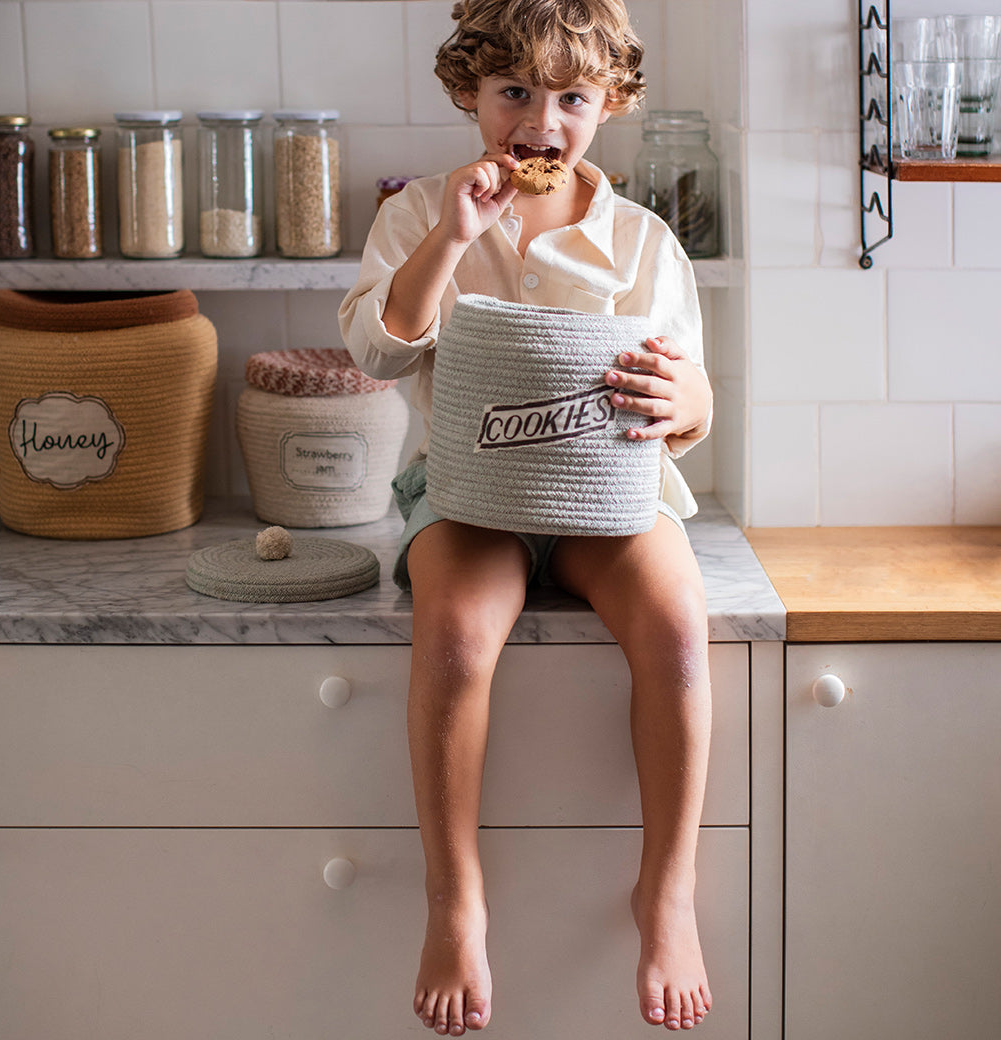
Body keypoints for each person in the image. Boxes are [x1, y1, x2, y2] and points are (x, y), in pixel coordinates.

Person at [338, 0, 714, 1033]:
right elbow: (378, 350)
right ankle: (454, 898)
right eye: (513, 92)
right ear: (469, 91)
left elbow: (689, 399)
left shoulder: (641, 240)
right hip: (469, 497)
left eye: (572, 99)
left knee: (679, 629)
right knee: (457, 635)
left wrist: (687, 401)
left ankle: (666, 892)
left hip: (610, 497)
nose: (541, 121)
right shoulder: (419, 213)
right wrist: (452, 239)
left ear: (611, 104)